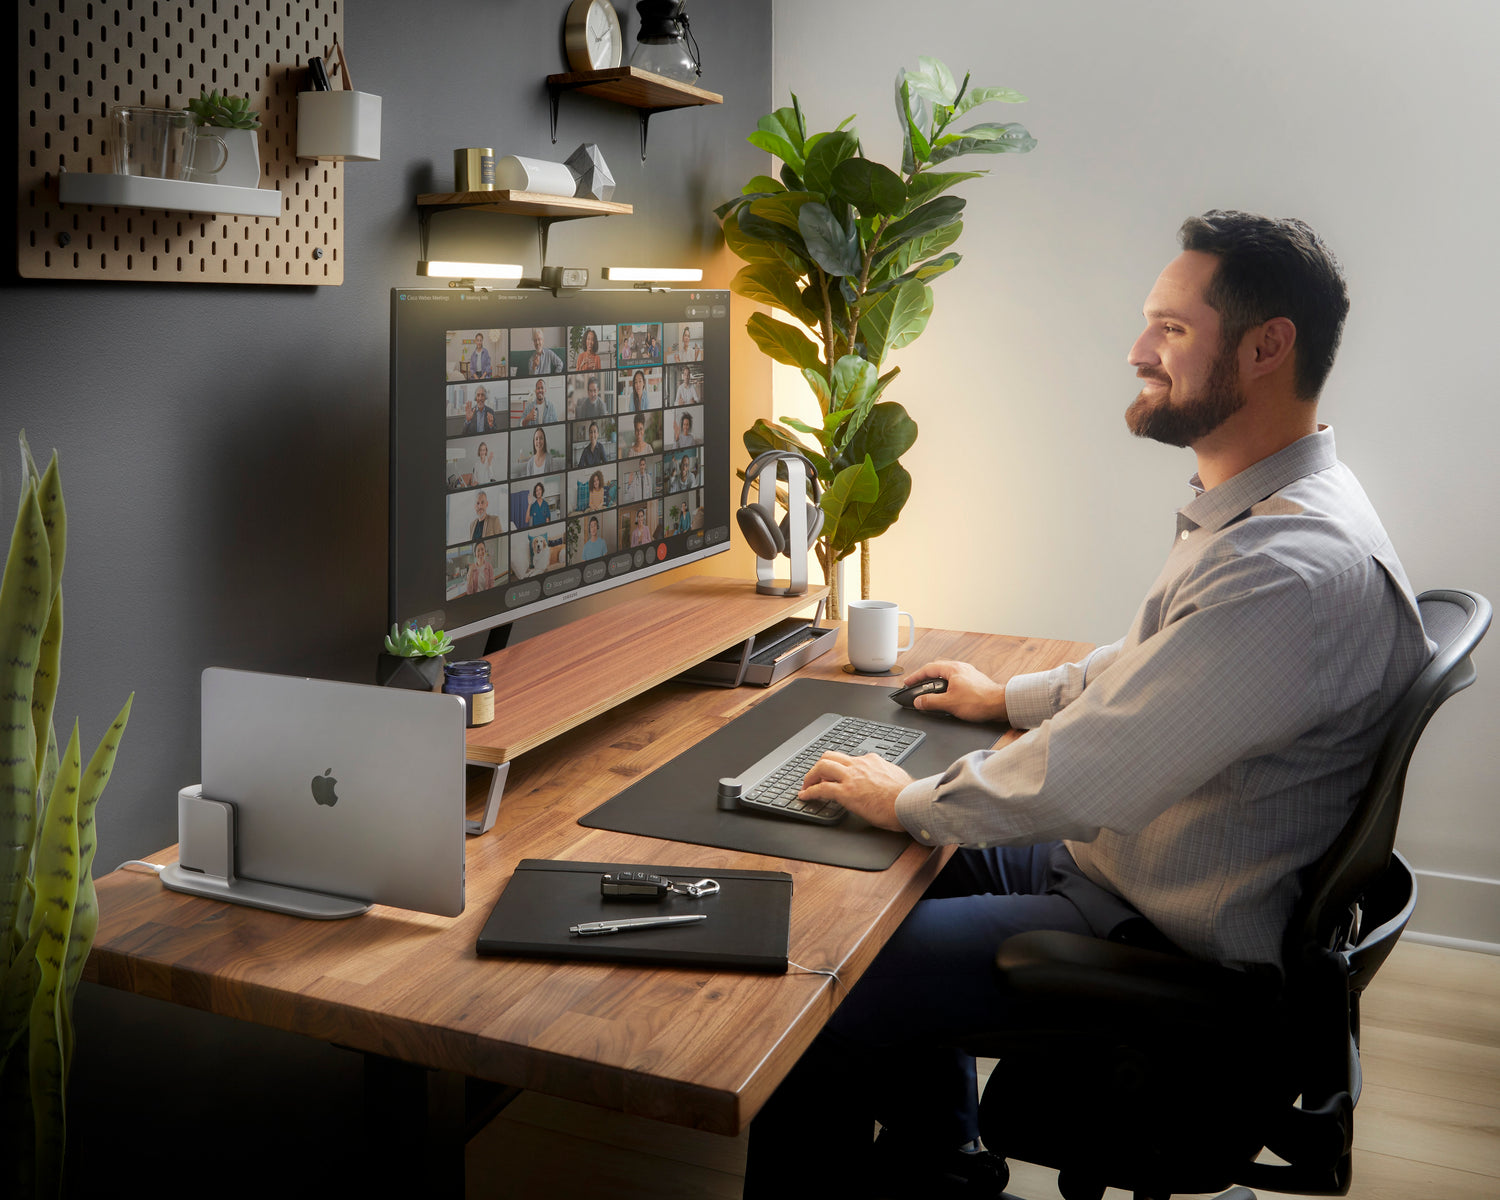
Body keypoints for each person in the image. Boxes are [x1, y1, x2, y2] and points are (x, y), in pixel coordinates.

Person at [743, 211, 1434, 1197]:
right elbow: (1152, 668)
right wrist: (1002, 698)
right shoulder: (1276, 515)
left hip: (1157, 931)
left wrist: (910, 797)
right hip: (1138, 863)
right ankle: (944, 1162)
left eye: (1172, 329)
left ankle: (924, 1155)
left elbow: (1096, 764)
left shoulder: (1290, 570)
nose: (1137, 350)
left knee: (818, 988)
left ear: (1267, 346)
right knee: (880, 870)